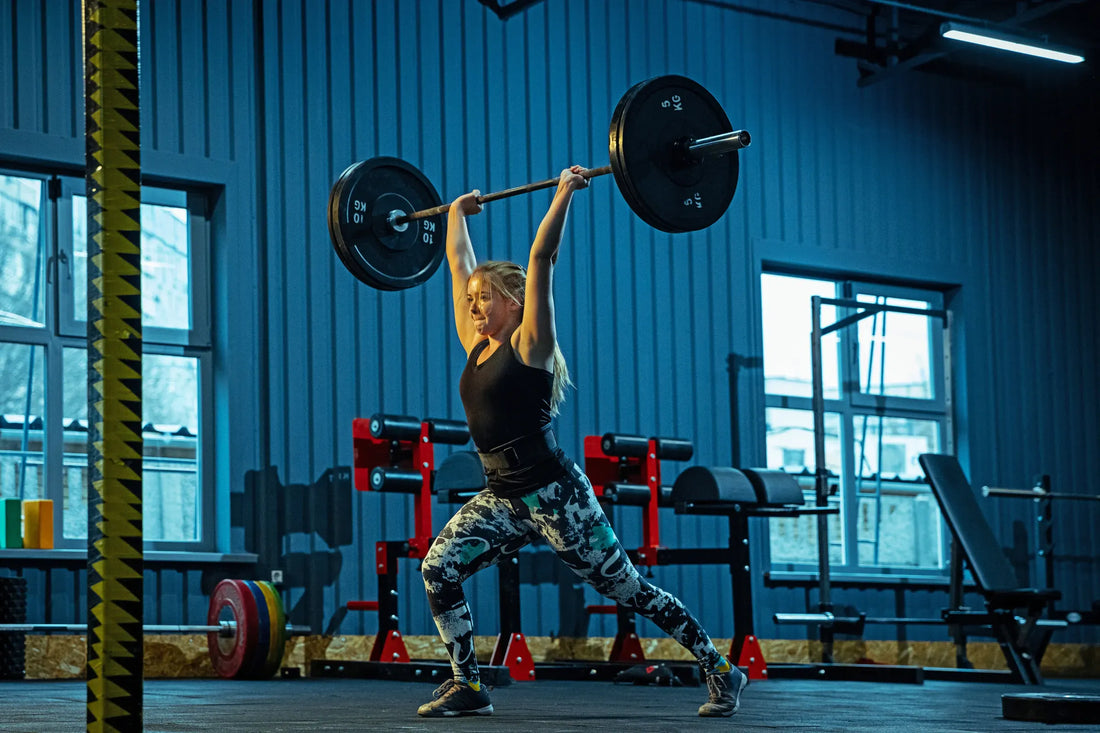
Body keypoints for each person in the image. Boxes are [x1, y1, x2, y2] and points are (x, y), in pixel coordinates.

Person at [417, 165, 747, 718]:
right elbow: (457, 264)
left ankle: (720, 669)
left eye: (484, 298)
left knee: (629, 590)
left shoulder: (531, 344)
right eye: (471, 299)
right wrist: (454, 214)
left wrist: (563, 193)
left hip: (555, 495)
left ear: (514, 302)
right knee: (437, 568)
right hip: (502, 496)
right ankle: (468, 685)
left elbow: (542, 260)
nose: (473, 306)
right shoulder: (475, 344)